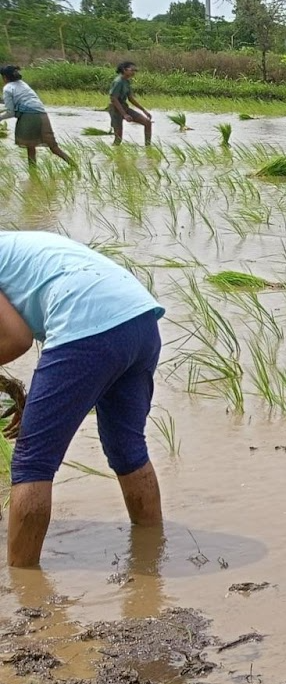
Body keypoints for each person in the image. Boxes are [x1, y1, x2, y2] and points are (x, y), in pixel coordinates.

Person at [0, 231, 165, 567]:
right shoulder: (12, 244)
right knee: (127, 448)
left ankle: (23, 581)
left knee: (32, 463)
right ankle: (153, 551)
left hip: (87, 322)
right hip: (140, 318)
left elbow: (17, 338)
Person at [1, 66, 72, 168]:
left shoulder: (7, 88)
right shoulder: (23, 84)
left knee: (30, 147)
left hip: (28, 117)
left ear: (4, 77)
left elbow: (10, 112)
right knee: (53, 147)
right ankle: (74, 166)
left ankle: (33, 172)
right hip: (42, 115)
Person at [107, 61, 153, 147]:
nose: (134, 72)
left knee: (147, 123)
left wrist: (144, 110)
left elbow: (130, 98)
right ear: (124, 70)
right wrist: (124, 114)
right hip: (115, 109)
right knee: (118, 138)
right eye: (132, 70)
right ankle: (114, 152)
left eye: (135, 70)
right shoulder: (118, 82)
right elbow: (113, 99)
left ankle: (148, 147)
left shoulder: (127, 81)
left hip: (124, 107)